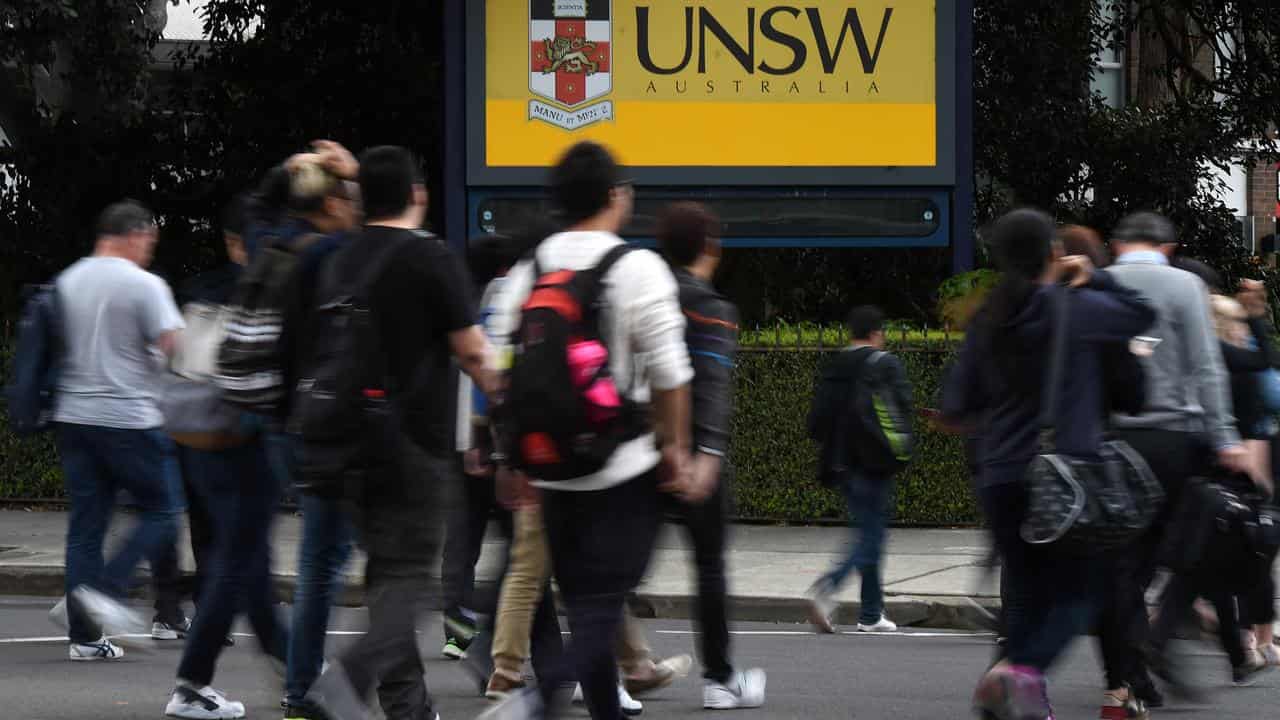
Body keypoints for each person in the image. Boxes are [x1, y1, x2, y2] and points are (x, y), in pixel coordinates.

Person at [481, 140, 694, 720]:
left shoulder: (530, 269)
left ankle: (588, 705)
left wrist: (509, 459)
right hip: (622, 468)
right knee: (602, 603)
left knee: (583, 602)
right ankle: (540, 699)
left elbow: (499, 368)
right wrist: (675, 450)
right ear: (613, 196)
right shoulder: (636, 266)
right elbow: (672, 373)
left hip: (550, 472)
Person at [942, 208, 1155, 720]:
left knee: (1027, 593)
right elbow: (1142, 313)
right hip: (1065, 478)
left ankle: (1016, 689)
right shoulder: (1075, 308)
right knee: (1084, 591)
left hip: (999, 475)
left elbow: (954, 407)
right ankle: (1018, 673)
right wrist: (1095, 274)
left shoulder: (989, 318)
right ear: (1053, 254)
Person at [304, 145, 493, 720]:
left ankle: (409, 709)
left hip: (347, 444)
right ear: (419, 195)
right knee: (408, 582)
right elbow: (472, 352)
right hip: (414, 443)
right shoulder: (429, 258)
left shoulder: (340, 258)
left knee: (389, 579)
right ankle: (348, 679)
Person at [1101, 211, 1254, 702]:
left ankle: (1129, 678)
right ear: (1167, 247)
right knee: (1189, 550)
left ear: (1116, 244)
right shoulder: (1185, 285)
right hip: (1175, 439)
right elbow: (1206, 368)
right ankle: (1158, 641)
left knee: (1124, 564)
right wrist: (1226, 437)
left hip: (1115, 440)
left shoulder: (1099, 283)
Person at [47, 200, 184, 661]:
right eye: (149, 241)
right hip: (128, 418)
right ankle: (107, 589)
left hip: (73, 417)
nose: (149, 250)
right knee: (164, 508)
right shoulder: (145, 285)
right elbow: (173, 349)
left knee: (86, 527)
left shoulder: (67, 280)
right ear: (135, 233)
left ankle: (84, 638)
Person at [651, 201, 766, 709]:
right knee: (709, 568)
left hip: (645, 452)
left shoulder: (647, 298)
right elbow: (714, 385)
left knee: (621, 569)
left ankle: (607, 671)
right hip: (697, 458)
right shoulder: (714, 310)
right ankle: (720, 679)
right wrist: (709, 452)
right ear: (710, 248)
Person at [274, 144, 367, 720]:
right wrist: (355, 173)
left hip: (299, 422)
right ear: (333, 201)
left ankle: (297, 687)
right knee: (371, 563)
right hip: (344, 424)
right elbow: (383, 238)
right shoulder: (337, 252)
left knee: (317, 562)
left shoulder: (283, 249)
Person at [152, 195, 257, 645]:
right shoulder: (268, 290)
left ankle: (182, 611)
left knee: (195, 522)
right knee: (232, 529)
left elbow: (171, 358)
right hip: (237, 423)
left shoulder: (196, 289)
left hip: (187, 420)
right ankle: (214, 615)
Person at [806, 305, 911, 635]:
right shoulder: (885, 364)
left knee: (869, 531)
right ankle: (827, 587)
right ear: (877, 333)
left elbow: (816, 421)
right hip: (874, 462)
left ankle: (870, 613)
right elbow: (902, 409)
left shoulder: (837, 364)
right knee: (871, 535)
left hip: (841, 463)